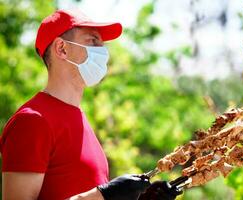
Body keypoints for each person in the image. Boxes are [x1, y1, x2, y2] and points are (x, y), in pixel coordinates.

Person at [0, 9, 182, 200]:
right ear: (62, 48)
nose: (103, 51)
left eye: (102, 44)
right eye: (93, 41)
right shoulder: (32, 121)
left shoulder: (78, 117)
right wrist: (104, 194)